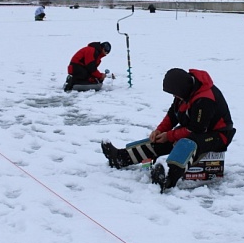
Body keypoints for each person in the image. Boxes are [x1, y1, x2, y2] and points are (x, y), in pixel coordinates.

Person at [101, 68, 236, 193]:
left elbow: (197, 129)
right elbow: (173, 115)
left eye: (174, 93)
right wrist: (160, 130)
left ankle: (168, 178)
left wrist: (170, 135)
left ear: (182, 90)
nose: (173, 97)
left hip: (218, 136)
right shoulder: (185, 93)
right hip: (195, 130)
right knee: (161, 140)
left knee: (187, 143)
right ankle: (120, 157)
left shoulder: (205, 99)